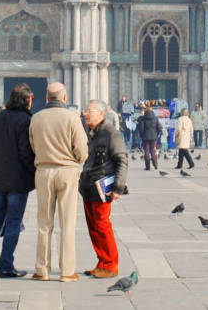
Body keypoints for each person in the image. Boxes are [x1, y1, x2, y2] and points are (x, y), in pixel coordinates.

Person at [28, 82, 88, 282]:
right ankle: (67, 271)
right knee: (67, 223)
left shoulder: (36, 118)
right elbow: (81, 149)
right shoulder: (72, 118)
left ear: (46, 98)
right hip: (67, 172)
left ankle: (41, 270)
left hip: (44, 171)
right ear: (64, 98)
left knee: (44, 223)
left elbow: (33, 145)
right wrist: (76, 160)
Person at [0, 83, 35, 278]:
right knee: (12, 222)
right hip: (17, 180)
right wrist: (33, 173)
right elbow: (25, 153)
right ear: (29, 100)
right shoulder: (25, 121)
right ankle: (6, 265)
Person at [79, 100, 127, 279]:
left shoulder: (110, 133)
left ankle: (110, 265)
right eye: (85, 110)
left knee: (102, 225)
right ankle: (101, 262)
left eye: (89, 111)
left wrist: (118, 188)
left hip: (102, 188)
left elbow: (122, 159)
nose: (85, 114)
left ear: (101, 113)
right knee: (93, 227)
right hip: (89, 186)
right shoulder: (92, 132)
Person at [136, 105, 161, 171]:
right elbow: (159, 127)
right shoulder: (155, 118)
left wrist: (141, 135)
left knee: (146, 151)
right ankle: (155, 163)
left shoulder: (143, 118)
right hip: (154, 137)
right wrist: (156, 134)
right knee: (153, 150)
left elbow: (141, 129)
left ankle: (148, 166)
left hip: (145, 137)